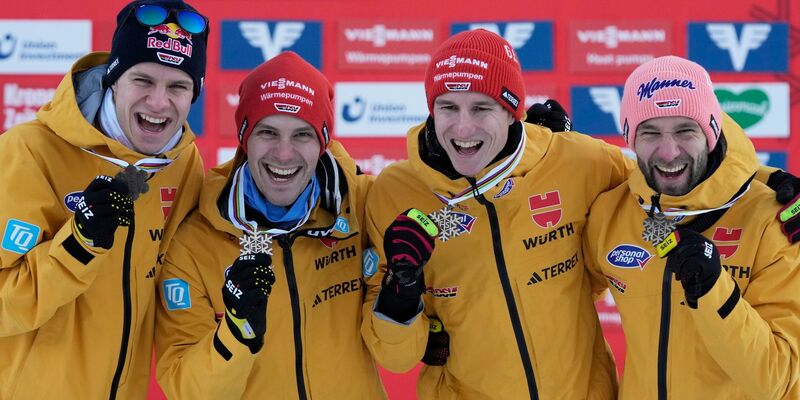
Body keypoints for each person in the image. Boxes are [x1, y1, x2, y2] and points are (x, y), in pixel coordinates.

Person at [360, 28, 628, 399]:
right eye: (448, 107)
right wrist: (400, 292)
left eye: (481, 108)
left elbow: (629, 244)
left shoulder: (581, 162)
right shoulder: (394, 194)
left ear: (511, 111)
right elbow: (396, 357)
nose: (463, 127)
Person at [0, 0, 207, 398]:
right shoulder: (27, 151)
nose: (158, 103)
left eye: (178, 86)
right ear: (114, 79)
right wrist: (78, 245)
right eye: (143, 80)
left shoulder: (183, 163)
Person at [154, 51, 386, 399]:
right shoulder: (194, 240)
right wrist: (236, 332)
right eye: (268, 132)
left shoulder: (364, 206)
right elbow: (187, 389)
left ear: (322, 142)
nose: (283, 153)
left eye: (302, 135)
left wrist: (402, 296)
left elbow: (399, 354)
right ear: (244, 138)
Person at [582, 55, 800, 399]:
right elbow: (545, 298)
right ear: (629, 138)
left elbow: (776, 380)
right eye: (650, 132)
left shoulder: (771, 220)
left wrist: (714, 290)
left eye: (686, 130)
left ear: (711, 133)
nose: (669, 152)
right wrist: (539, 151)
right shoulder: (610, 213)